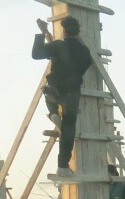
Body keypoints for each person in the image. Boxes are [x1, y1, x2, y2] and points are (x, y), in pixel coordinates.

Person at [32, 16, 92, 177]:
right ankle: (63, 166)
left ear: (64, 31)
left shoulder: (58, 45)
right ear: (77, 31)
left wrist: (41, 35)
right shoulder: (85, 52)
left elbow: (36, 54)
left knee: (49, 98)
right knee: (68, 127)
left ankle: (52, 113)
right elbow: (84, 65)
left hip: (54, 89)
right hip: (71, 91)